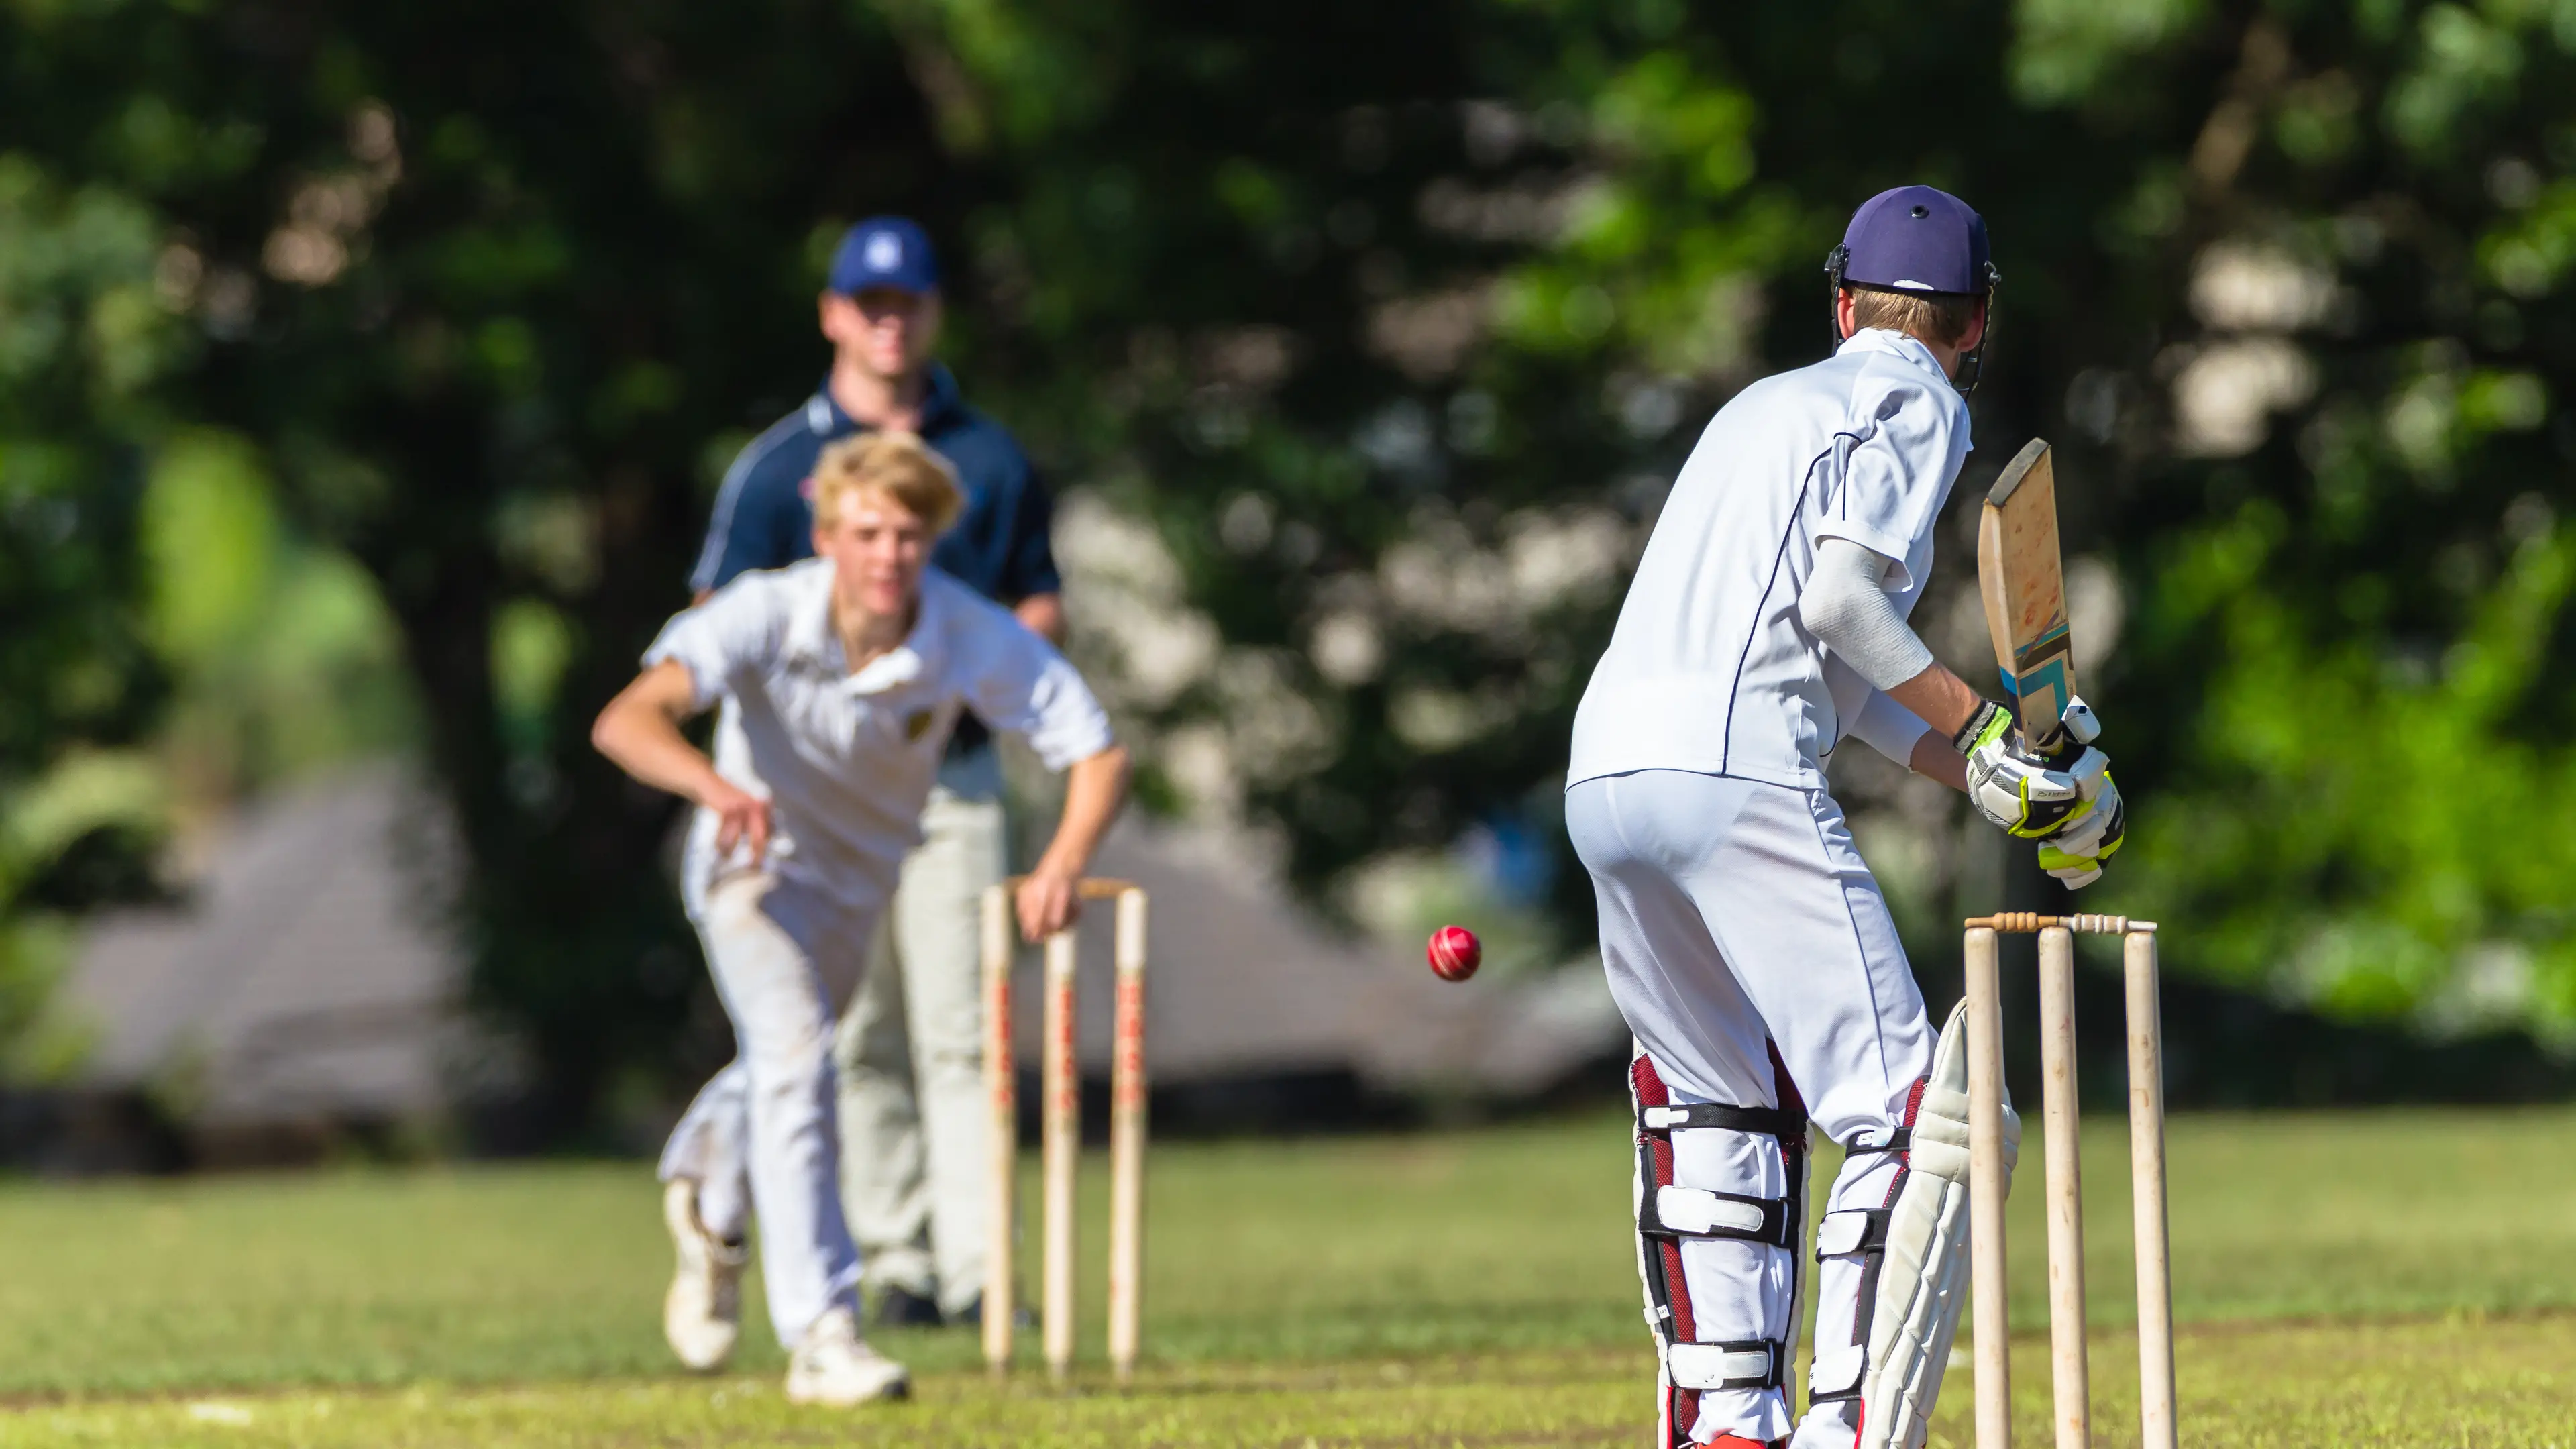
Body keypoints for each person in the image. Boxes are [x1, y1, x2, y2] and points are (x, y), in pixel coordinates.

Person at [1562, 186, 2125, 1449]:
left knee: (1712, 1103)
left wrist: (1988, 774)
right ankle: (1847, 1434)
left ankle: (1727, 1426)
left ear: (1841, 302)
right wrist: (1984, 732)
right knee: (1922, 1113)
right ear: (1974, 321)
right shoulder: (1917, 398)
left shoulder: (1757, 411)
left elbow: (1837, 671)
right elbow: (1840, 607)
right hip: (1737, 772)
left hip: (1607, 777)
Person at [596, 433, 1128, 1405]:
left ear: (932, 542)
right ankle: (823, 1334)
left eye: (909, 536)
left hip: (859, 884)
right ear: (828, 537)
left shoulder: (963, 629)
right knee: (801, 1057)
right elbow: (627, 719)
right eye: (869, 533)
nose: (889, 555)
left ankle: (711, 1200)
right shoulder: (766, 611)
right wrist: (717, 790)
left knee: (787, 1061)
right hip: (752, 872)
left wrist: (1061, 864)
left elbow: (1095, 750)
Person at [688, 216, 1061, 1332]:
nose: (889, 324)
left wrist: (967, 679)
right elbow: (716, 617)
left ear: (934, 313)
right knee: (852, 1036)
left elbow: (1037, 601)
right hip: (819, 799)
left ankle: (982, 1272)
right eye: (869, 304)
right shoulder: (780, 468)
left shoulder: (988, 457)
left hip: (949, 780)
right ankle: (897, 1260)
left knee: (965, 1028)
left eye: (908, 304)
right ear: (834, 316)